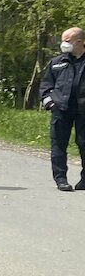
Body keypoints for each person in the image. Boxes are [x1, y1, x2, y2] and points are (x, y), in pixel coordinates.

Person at [38, 26, 85, 191]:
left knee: (83, 143)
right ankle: (61, 180)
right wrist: (50, 103)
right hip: (61, 110)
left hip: (83, 111)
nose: (63, 44)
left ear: (78, 42)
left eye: (66, 41)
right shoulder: (57, 62)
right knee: (58, 145)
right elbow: (45, 87)